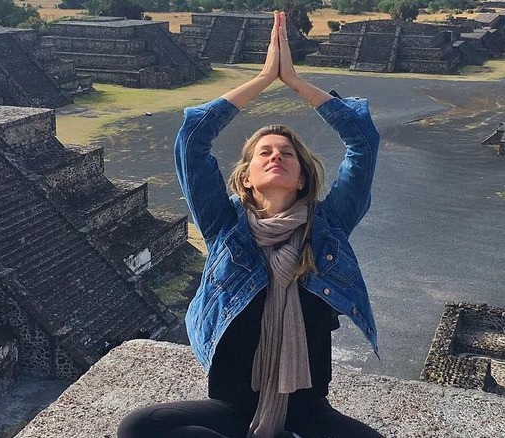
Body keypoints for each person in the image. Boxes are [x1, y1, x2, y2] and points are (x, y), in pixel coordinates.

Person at [117, 11, 383, 438]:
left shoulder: (328, 226)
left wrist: (295, 81)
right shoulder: (225, 226)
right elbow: (192, 141)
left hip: (308, 412)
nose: (276, 155)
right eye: (264, 152)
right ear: (244, 178)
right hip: (232, 407)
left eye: (287, 153)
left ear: (302, 179)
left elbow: (363, 144)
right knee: (138, 428)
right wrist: (263, 79)